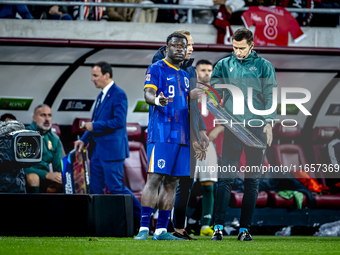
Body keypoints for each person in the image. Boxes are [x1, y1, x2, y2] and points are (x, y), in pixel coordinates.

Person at [210, 28, 277, 241]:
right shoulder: (223, 65)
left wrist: (268, 124)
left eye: (241, 48)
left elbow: (271, 96)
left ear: (252, 45)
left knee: (252, 181)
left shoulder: (264, 67)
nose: (237, 52)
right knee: (226, 178)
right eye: (234, 48)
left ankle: (244, 229)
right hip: (233, 128)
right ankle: (218, 227)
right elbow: (214, 92)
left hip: (257, 128)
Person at [134, 33, 202, 241]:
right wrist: (157, 100)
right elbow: (147, 94)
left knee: (172, 183)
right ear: (166, 48)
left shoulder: (183, 75)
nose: (180, 49)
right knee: (154, 179)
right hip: (161, 133)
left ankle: (162, 230)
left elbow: (188, 108)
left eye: (184, 46)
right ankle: (144, 229)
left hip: (181, 136)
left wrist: (197, 135)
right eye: (176, 45)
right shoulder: (156, 69)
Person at [152, 29, 209, 240]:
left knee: (186, 182)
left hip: (189, 132)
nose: (189, 49)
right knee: (166, 181)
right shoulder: (159, 64)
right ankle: (160, 227)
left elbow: (193, 106)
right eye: (186, 45)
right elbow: (165, 100)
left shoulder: (191, 71)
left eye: (192, 45)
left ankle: (179, 228)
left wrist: (200, 130)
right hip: (167, 132)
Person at [74, 61, 141, 222]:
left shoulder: (119, 94)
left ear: (107, 75)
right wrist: (83, 139)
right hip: (97, 150)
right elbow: (95, 121)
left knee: (115, 187)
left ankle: (144, 217)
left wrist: (94, 126)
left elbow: (118, 121)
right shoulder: (101, 95)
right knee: (96, 189)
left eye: (95, 75)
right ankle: (99, 223)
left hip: (112, 151)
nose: (93, 79)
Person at [195, 59, 225, 236]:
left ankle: (205, 225)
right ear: (196, 72)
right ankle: (177, 223)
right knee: (183, 184)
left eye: (209, 70)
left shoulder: (218, 94)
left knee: (209, 184)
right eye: (203, 70)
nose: (207, 73)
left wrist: (215, 132)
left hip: (209, 145)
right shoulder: (189, 91)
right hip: (190, 144)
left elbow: (227, 120)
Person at [24, 104, 64, 193]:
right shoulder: (24, 135)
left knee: (64, 181)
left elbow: (58, 166)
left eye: (49, 115)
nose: (47, 119)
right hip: (25, 176)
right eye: (43, 115)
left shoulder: (55, 139)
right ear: (34, 118)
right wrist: (46, 174)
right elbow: (20, 167)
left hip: (45, 177)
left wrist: (62, 176)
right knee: (34, 178)